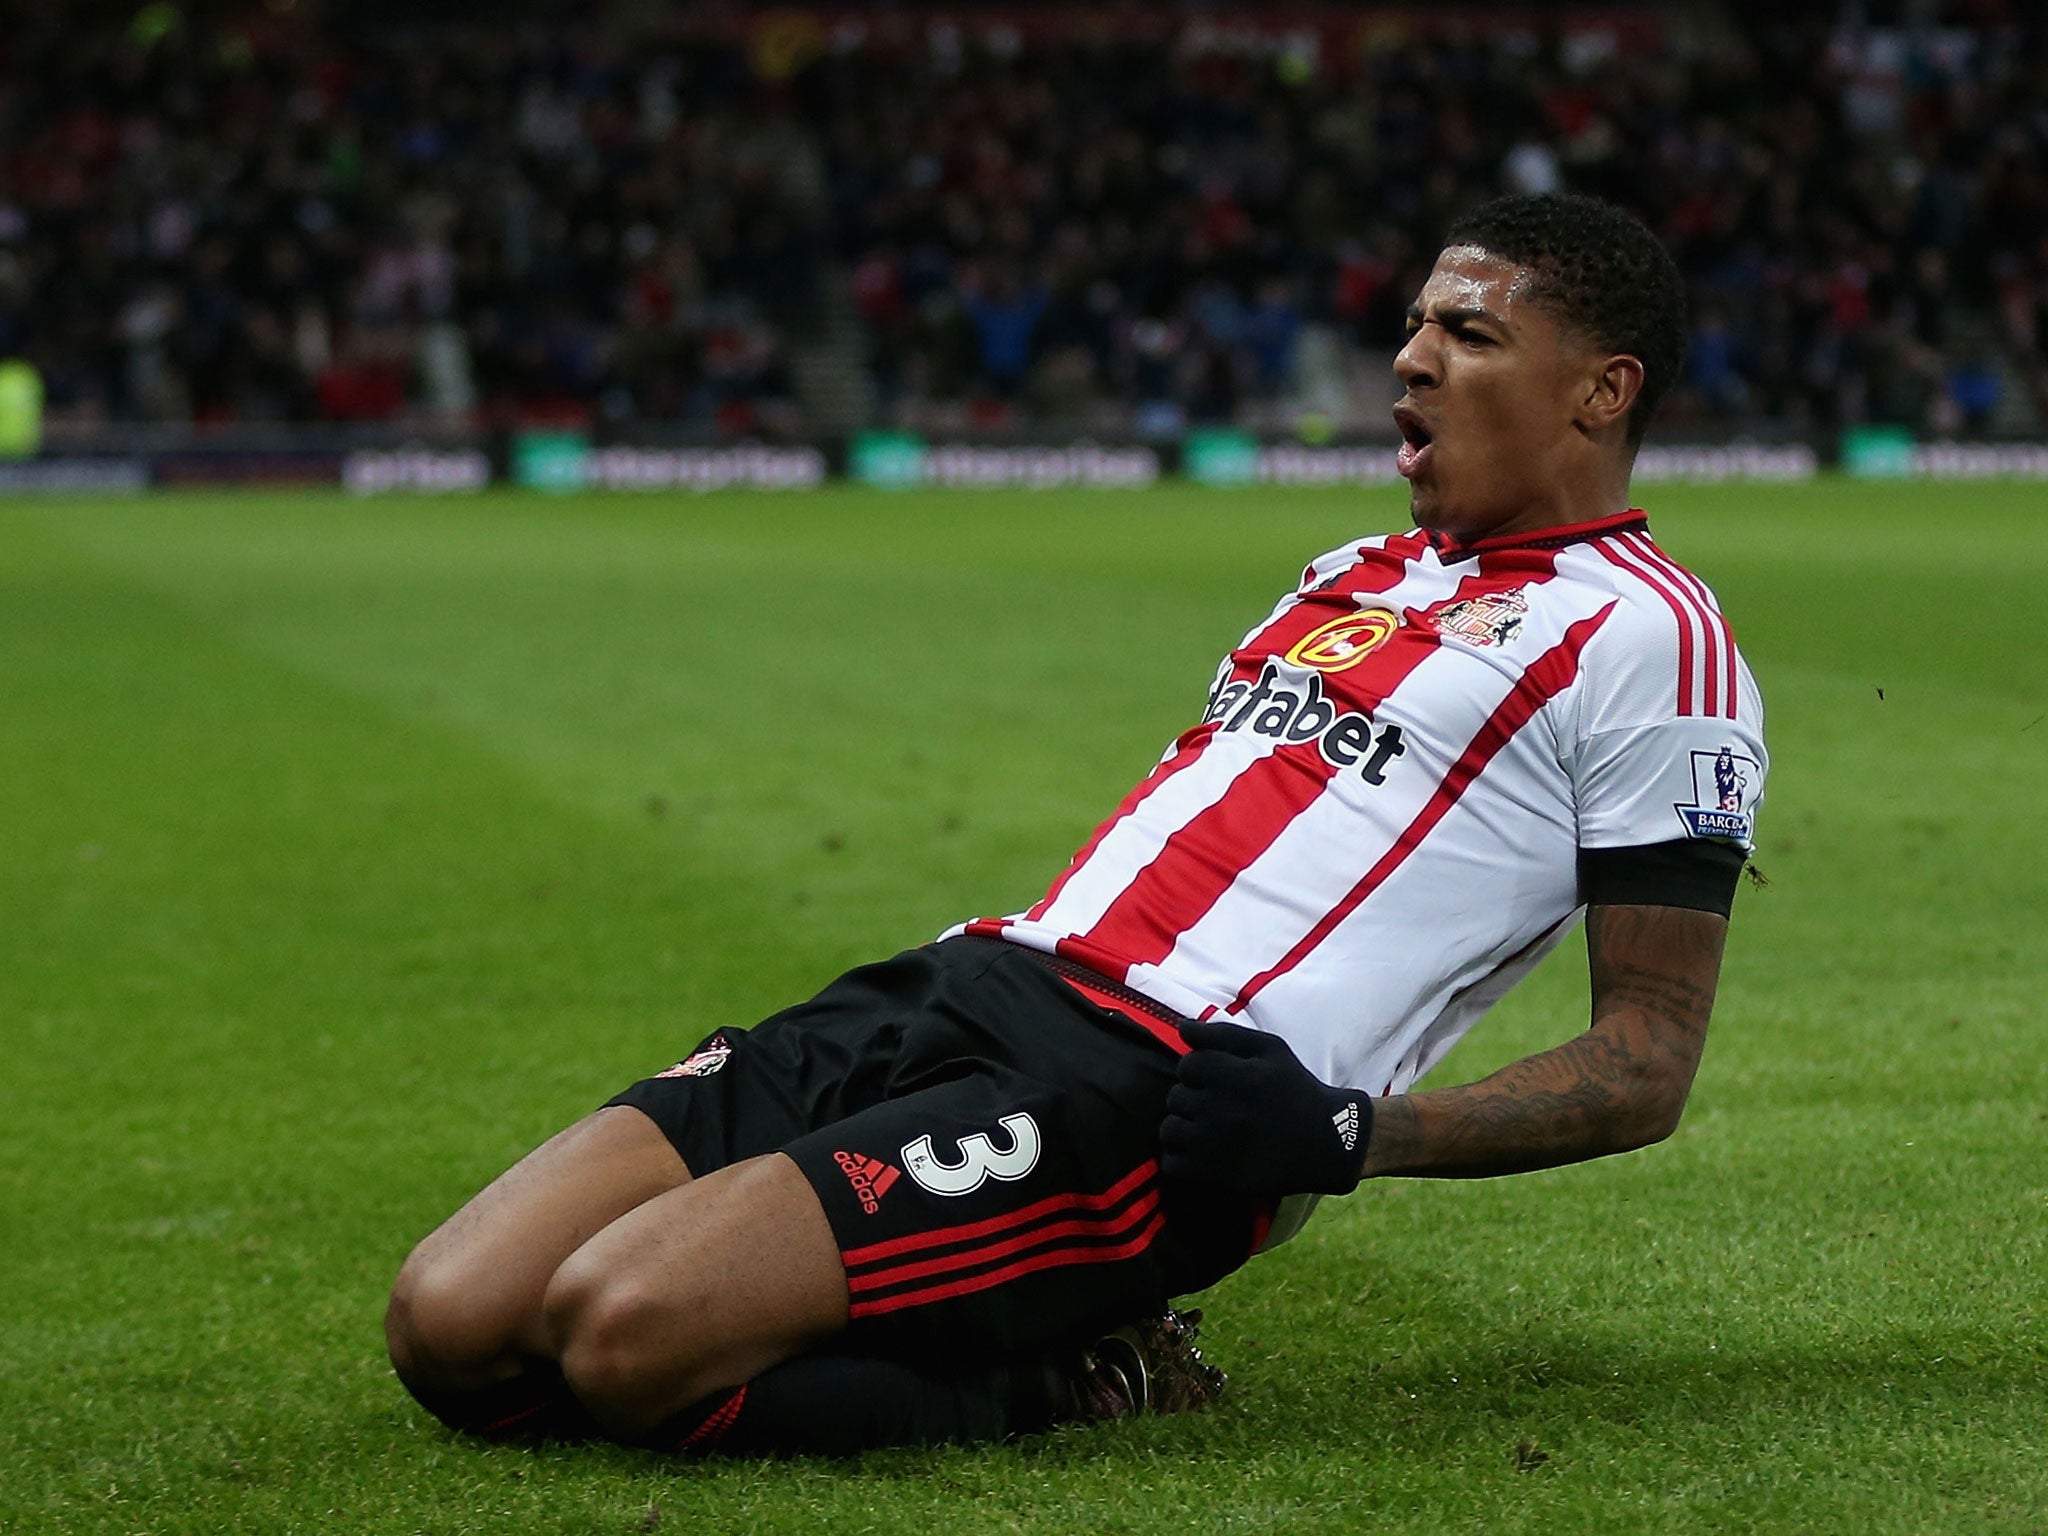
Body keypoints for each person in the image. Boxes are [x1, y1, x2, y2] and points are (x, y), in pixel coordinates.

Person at [385, 193, 1769, 1455]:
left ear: (1602, 390)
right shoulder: (1353, 573)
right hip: (977, 977)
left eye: (1467, 334)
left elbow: (1648, 1056)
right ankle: (921, 1302)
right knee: (451, 1325)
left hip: (1152, 1088)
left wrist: (1349, 1135)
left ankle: (1083, 1371)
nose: (1409, 359)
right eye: (1413, 324)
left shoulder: (1653, 636)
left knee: (625, 1344)